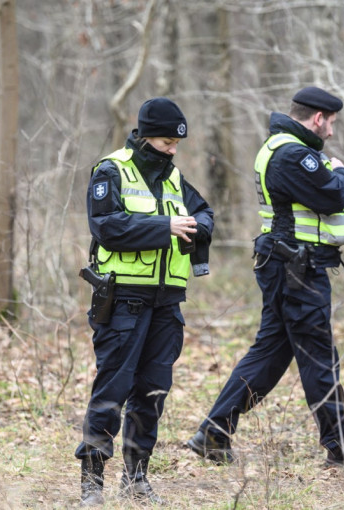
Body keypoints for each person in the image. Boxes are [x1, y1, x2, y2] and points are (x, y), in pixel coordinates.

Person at [186, 86, 344, 469]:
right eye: (330, 124)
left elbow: (321, 201)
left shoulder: (290, 150)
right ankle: (343, 446)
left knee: (270, 353)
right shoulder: (292, 154)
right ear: (318, 118)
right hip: (297, 269)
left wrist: (338, 191)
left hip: (290, 265)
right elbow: (333, 195)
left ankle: (214, 432)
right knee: (318, 356)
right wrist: (342, 172)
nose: (331, 132)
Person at [76, 97, 214, 506]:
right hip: (123, 302)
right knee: (111, 391)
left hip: (166, 304)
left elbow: (204, 211)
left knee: (153, 393)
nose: (173, 150)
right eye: (167, 142)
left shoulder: (174, 179)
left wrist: (196, 225)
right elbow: (106, 226)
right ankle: (92, 482)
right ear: (146, 135)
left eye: (177, 144)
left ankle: (136, 478)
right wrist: (165, 226)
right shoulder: (111, 170)